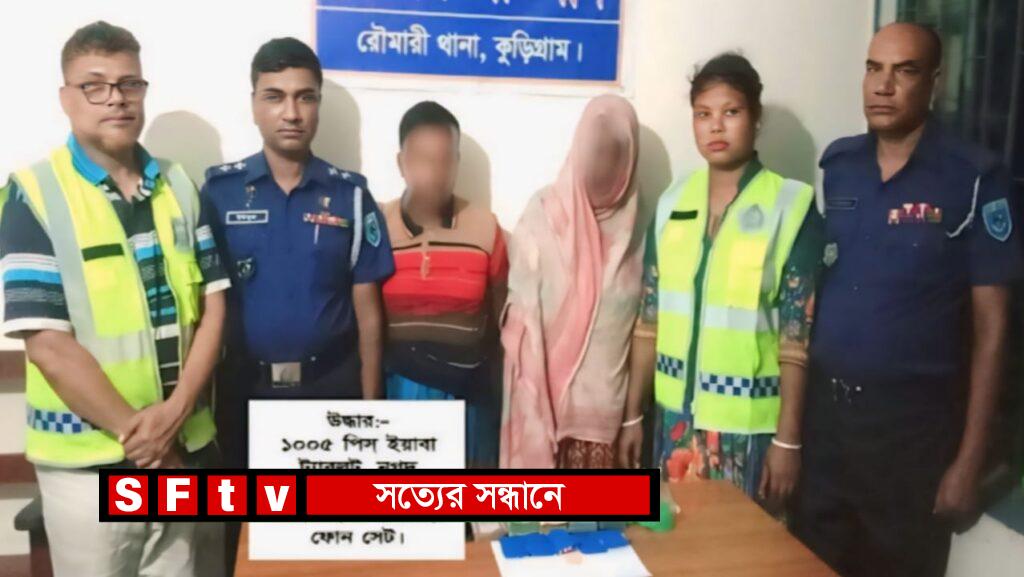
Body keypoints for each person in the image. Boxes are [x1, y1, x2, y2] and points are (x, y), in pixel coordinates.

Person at [791, 23, 1024, 577]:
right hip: (829, 428)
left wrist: (969, 462)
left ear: (935, 82)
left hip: (911, 437)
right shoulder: (839, 167)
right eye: (874, 69)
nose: (883, 85)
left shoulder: (974, 178)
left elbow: (993, 331)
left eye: (905, 71)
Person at [0, 21, 228, 576]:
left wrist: (175, 415)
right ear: (66, 98)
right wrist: (145, 441)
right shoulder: (33, 193)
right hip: (90, 469)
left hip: (181, 449)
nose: (116, 99)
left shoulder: (179, 185)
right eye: (95, 85)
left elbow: (214, 307)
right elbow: (48, 345)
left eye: (130, 84)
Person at [202, 37, 394, 573]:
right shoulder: (218, 194)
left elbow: (368, 313)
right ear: (254, 104)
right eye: (275, 96)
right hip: (245, 398)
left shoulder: (351, 195)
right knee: (245, 550)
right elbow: (204, 307)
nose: (291, 112)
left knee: (327, 550)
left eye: (305, 97)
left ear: (318, 105)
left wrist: (371, 411)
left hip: (330, 395)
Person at [617, 53, 821, 512]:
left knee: (743, 547)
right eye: (703, 114)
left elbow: (797, 340)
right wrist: (633, 416)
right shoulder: (673, 203)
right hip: (674, 427)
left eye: (731, 112)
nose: (716, 127)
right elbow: (648, 322)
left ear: (756, 117)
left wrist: (788, 441)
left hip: (750, 433)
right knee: (675, 543)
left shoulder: (790, 206)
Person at [500, 94, 643, 469]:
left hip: (605, 421)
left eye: (613, 153)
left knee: (596, 509)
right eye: (593, 151)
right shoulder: (542, 215)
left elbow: (643, 333)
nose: (600, 166)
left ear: (630, 159)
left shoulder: (640, 233)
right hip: (540, 406)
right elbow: (520, 311)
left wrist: (633, 417)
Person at [380, 101, 508, 468]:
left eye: (445, 160)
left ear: (457, 162)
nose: (435, 173)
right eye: (423, 160)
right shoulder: (378, 226)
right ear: (401, 163)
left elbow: (502, 317)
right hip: (400, 394)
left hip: (468, 399)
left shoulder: (485, 228)